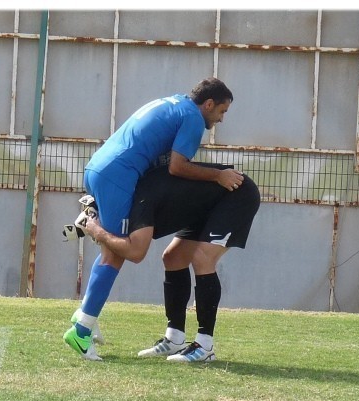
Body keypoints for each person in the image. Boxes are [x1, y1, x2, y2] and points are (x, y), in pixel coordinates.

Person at [63, 78, 243, 360]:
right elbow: (177, 167)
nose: (221, 119)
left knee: (111, 252)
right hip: (118, 177)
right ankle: (81, 330)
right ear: (208, 104)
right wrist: (218, 175)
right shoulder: (193, 119)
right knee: (121, 253)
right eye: (222, 111)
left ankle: (84, 314)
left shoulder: (175, 102)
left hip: (98, 167)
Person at [83, 164, 261, 362]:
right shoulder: (133, 194)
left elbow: (135, 253)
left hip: (236, 195)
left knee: (203, 258)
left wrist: (98, 232)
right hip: (205, 205)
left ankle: (205, 346)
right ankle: (175, 338)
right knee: (173, 257)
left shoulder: (140, 201)